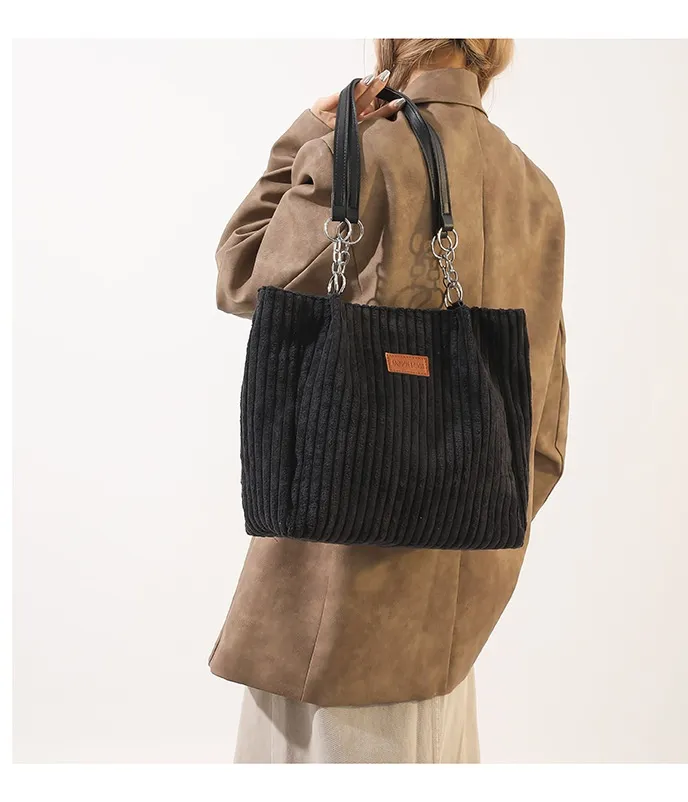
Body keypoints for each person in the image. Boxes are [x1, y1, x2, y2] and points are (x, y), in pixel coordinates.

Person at [210, 38, 569, 764]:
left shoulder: (361, 154)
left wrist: (309, 135)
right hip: (455, 626)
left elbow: (242, 274)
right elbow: (545, 421)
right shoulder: (535, 191)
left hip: (334, 616)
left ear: (396, 40)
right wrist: (466, 521)